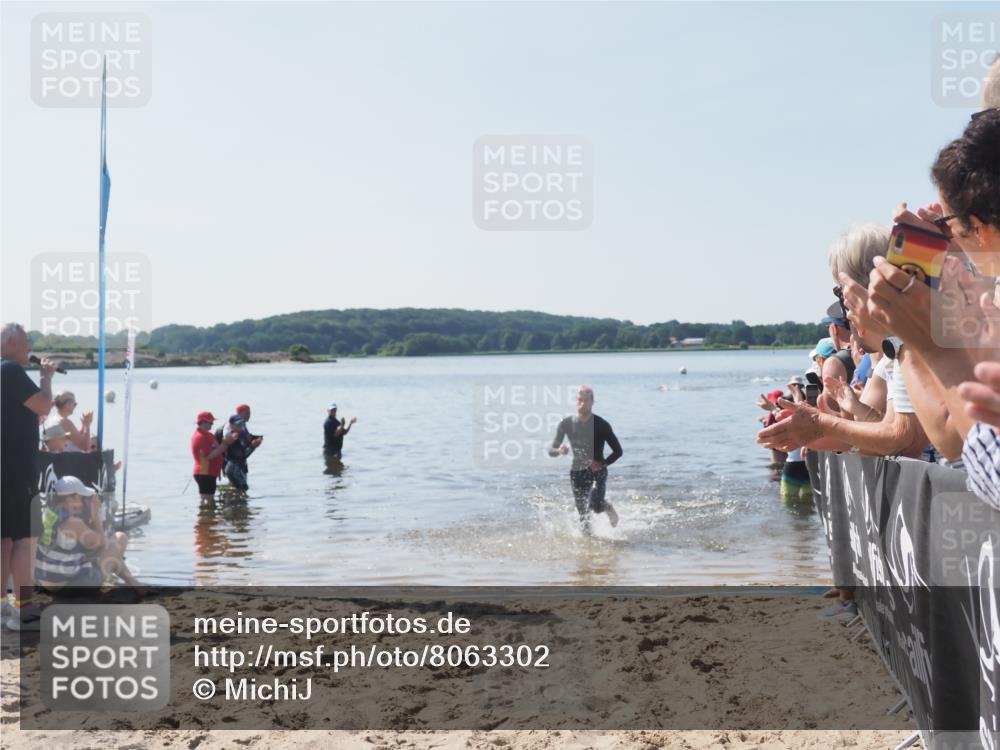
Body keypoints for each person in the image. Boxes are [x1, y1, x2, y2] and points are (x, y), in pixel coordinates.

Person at [1, 323, 56, 631]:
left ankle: (2, 606)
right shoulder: (9, 370)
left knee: (4, 538)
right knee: (24, 537)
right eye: (25, 342)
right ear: (10, 342)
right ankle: (25, 610)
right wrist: (46, 378)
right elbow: (44, 405)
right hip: (17, 468)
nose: (29, 348)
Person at [34, 476, 144, 593]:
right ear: (69, 499)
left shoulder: (49, 513)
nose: (82, 503)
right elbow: (101, 543)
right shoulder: (72, 522)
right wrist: (95, 514)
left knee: (109, 553)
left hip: (45, 581)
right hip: (66, 586)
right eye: (81, 498)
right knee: (120, 538)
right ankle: (135, 584)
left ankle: (135, 584)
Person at [549, 385, 623, 530]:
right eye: (579, 400)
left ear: (592, 402)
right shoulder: (566, 423)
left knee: (596, 505)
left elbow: (618, 451)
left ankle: (607, 507)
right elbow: (551, 451)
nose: (582, 403)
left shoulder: (602, 425)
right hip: (577, 472)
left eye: (586, 400)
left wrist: (602, 464)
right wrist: (559, 450)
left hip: (598, 472)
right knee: (583, 514)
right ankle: (589, 542)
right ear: (576, 401)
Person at [191, 412, 235, 504]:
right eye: (210, 422)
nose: (212, 424)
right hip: (204, 473)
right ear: (202, 422)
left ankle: (208, 513)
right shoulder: (200, 437)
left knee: (209, 500)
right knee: (207, 500)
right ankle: (205, 512)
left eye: (212, 422)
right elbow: (209, 456)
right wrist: (225, 444)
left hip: (210, 472)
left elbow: (217, 449)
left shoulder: (209, 435)